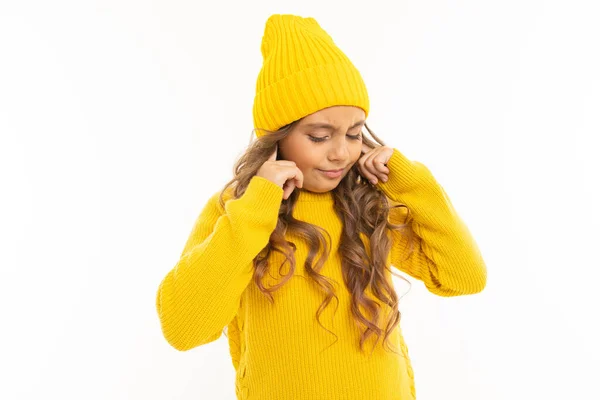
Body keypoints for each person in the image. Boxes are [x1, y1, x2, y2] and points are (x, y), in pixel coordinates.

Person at [155, 13, 487, 400]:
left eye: (353, 133)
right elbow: (184, 328)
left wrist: (410, 183)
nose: (342, 152)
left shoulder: (366, 207)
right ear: (276, 138)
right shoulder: (239, 210)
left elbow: (464, 277)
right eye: (319, 136)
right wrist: (257, 208)